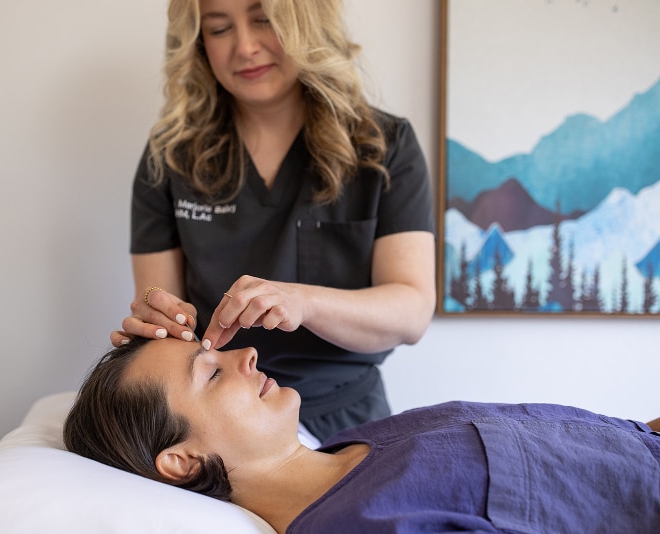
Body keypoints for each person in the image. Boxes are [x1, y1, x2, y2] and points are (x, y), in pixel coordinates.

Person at [111, 0, 436, 442]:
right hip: (226, 422)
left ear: (307, 22)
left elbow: (412, 310)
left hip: (348, 417)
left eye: (264, 20)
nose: (245, 47)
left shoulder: (382, 146)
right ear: (198, 43)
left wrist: (302, 303)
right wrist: (154, 318)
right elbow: (160, 303)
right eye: (219, 28)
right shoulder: (171, 157)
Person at [65, 337, 660, 534]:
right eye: (211, 371)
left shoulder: (359, 443)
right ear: (181, 460)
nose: (247, 353)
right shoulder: (361, 522)